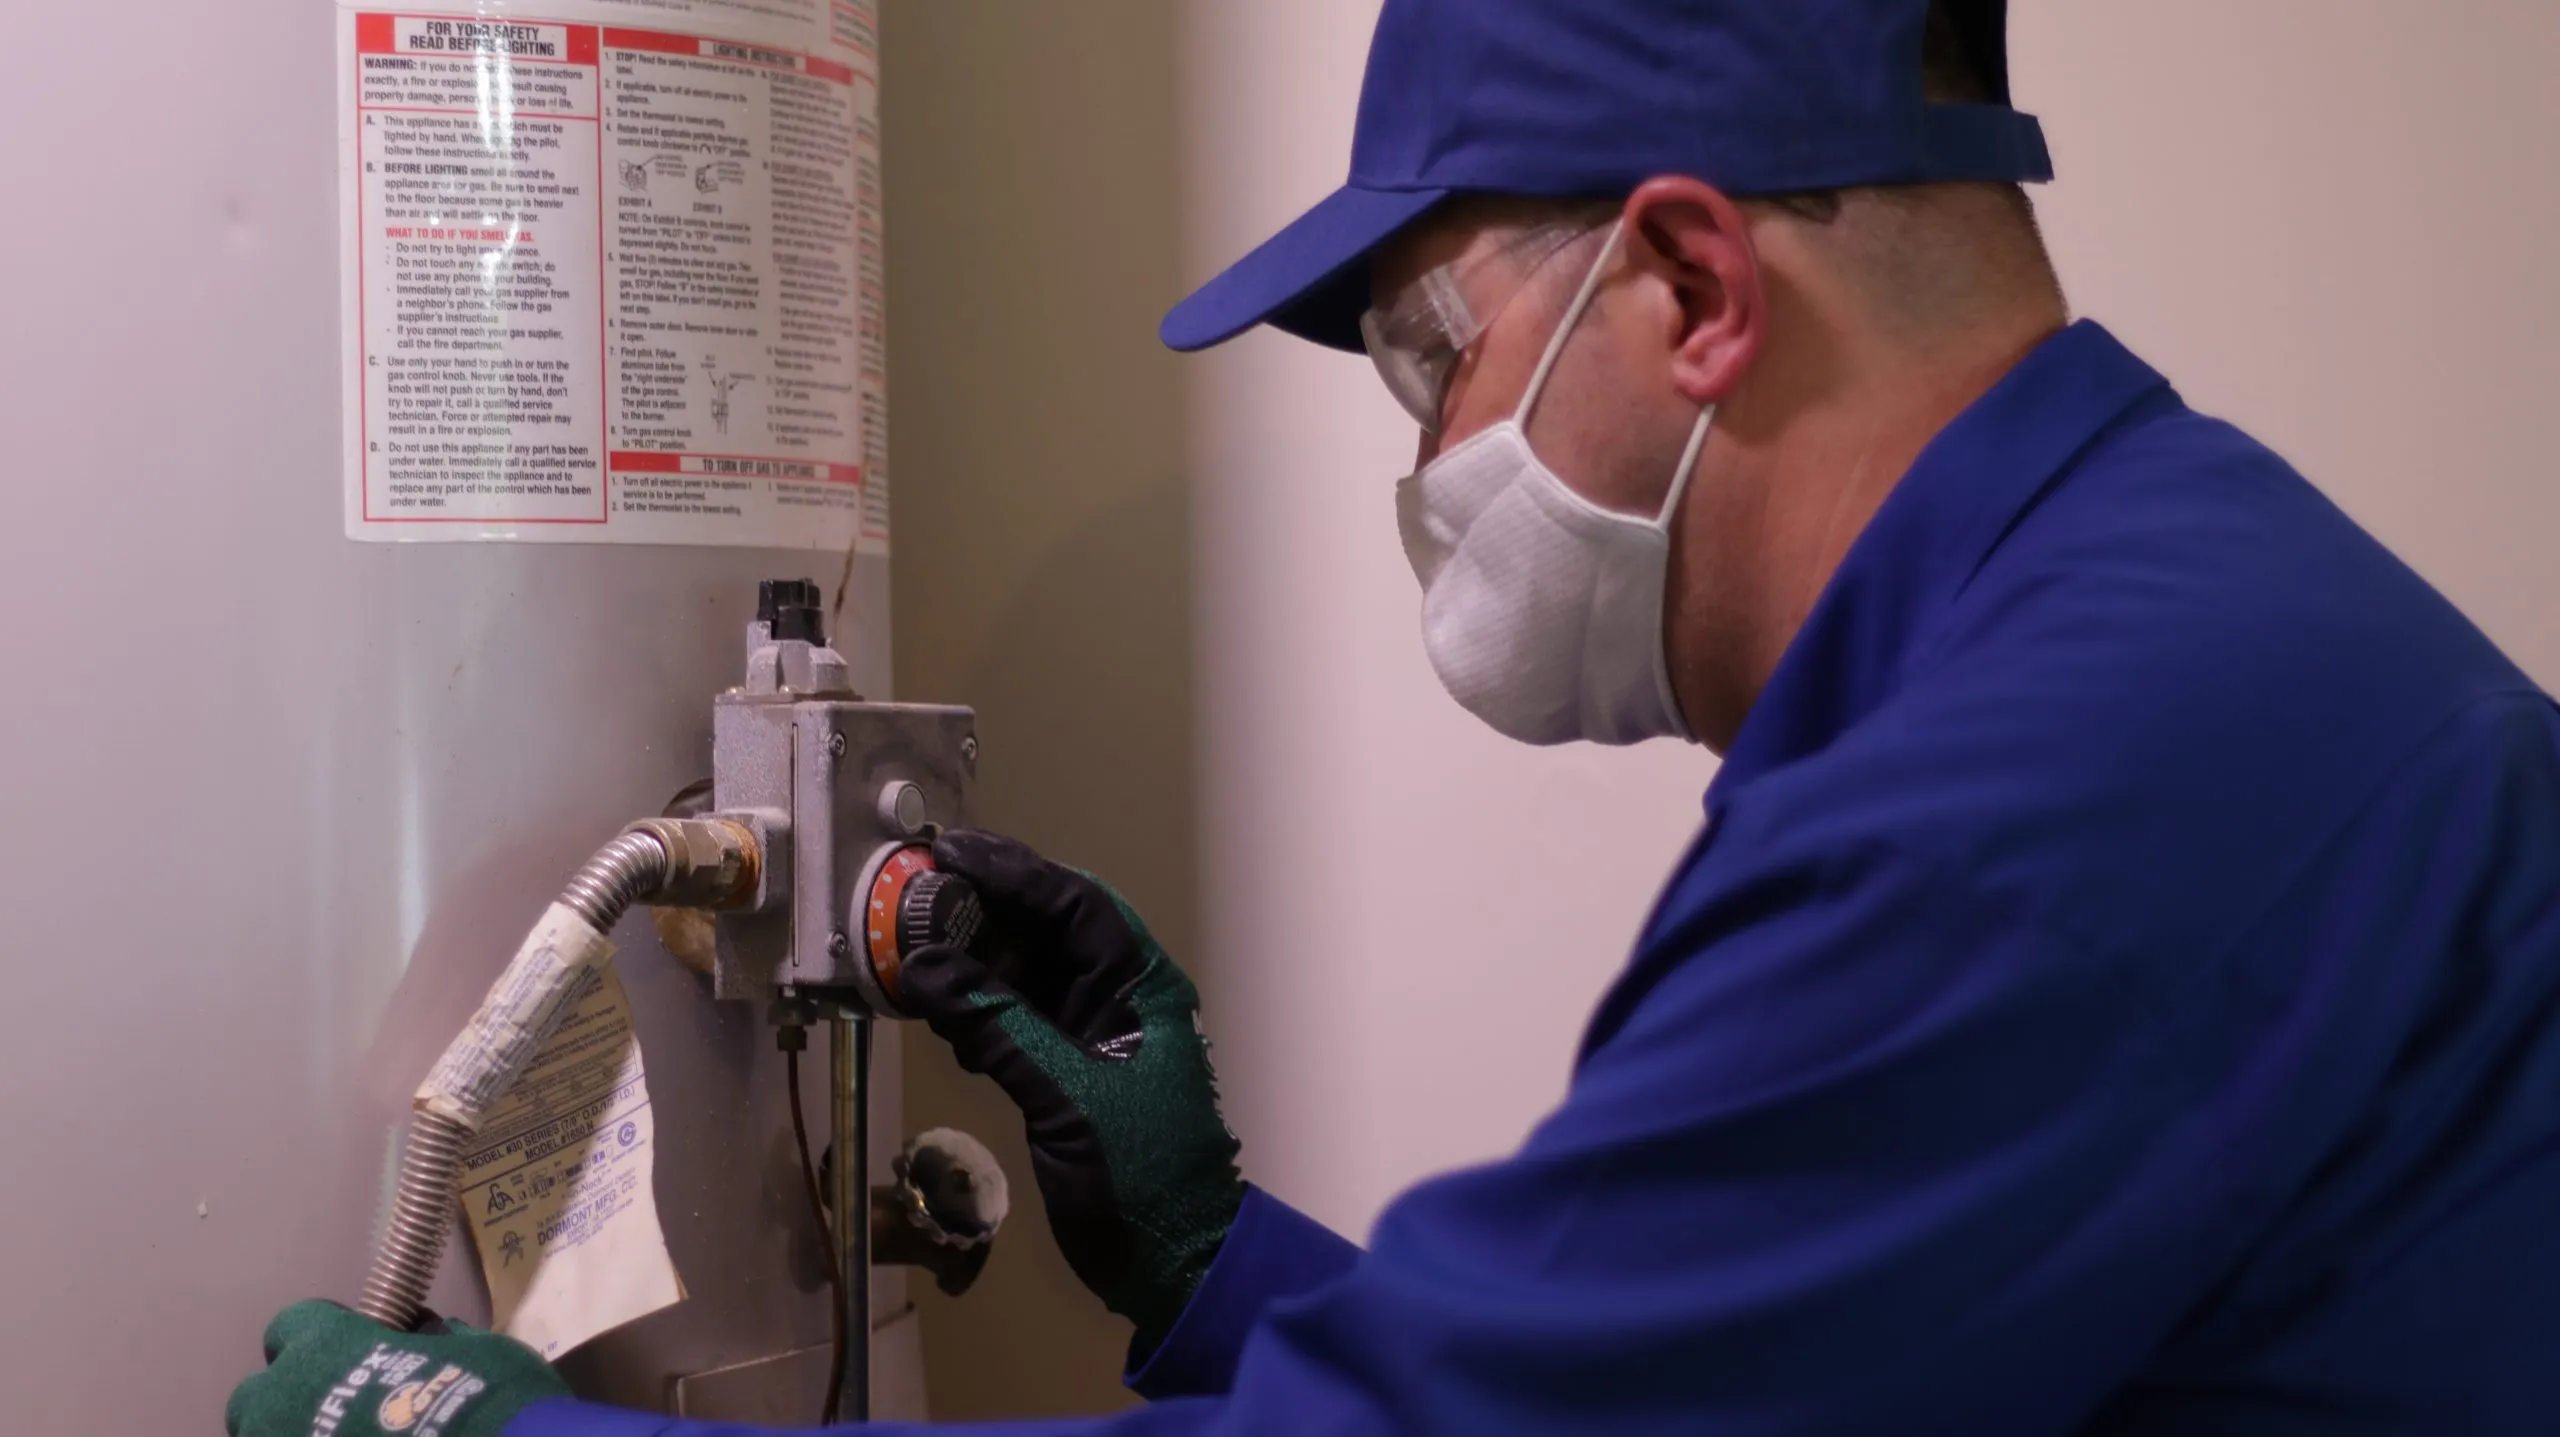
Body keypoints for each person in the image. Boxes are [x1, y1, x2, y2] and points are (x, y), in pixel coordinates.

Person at [230, 1, 2560, 1433]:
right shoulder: (2134, 631)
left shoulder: (2031, 815)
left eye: (1427, 363)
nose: (1428, 467)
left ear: (1684, 277)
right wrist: (1216, 1261)